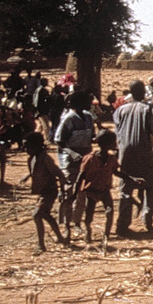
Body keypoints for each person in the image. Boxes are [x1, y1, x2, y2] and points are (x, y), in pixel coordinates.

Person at [113, 79, 153, 235]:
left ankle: (122, 225)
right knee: (150, 186)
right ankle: (147, 220)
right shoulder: (148, 110)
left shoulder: (120, 110)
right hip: (144, 151)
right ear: (142, 93)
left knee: (126, 188)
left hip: (125, 153)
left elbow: (117, 131)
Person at [55, 90, 95, 237]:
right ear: (79, 102)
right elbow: (59, 141)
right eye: (87, 101)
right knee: (69, 192)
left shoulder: (89, 117)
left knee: (82, 193)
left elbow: (91, 136)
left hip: (84, 160)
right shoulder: (69, 118)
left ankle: (77, 222)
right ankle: (65, 224)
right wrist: (72, 153)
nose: (90, 104)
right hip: (69, 161)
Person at [23, 131, 68, 253]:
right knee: (45, 214)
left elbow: (58, 173)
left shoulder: (45, 158)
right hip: (43, 191)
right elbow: (36, 170)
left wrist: (63, 191)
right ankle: (60, 237)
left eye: (27, 146)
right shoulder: (33, 158)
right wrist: (28, 176)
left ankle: (41, 244)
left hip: (49, 191)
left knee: (36, 215)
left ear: (36, 145)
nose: (24, 149)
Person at [76, 130, 124, 244]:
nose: (115, 144)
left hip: (104, 189)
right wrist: (75, 193)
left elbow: (116, 172)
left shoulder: (111, 158)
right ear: (106, 144)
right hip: (91, 189)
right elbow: (81, 176)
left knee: (110, 210)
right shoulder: (90, 158)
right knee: (89, 214)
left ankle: (106, 235)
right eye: (113, 142)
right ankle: (88, 230)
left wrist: (132, 178)